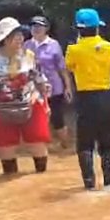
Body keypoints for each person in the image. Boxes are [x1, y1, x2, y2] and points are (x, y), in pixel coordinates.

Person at [63, 8, 110, 190]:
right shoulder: (109, 48)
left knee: (84, 145)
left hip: (85, 100)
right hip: (107, 97)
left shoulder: (73, 50)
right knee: (107, 143)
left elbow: (69, 71)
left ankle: (89, 183)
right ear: (97, 28)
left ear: (78, 29)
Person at [0, 17, 52, 175]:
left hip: (32, 104)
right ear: (4, 38)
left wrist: (46, 105)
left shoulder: (29, 55)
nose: (20, 38)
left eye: (20, 34)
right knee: (6, 147)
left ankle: (41, 180)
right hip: (1, 107)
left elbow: (40, 81)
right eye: (15, 35)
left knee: (37, 143)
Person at [25, 16, 71, 148]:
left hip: (54, 87)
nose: (36, 29)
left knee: (57, 117)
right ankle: (45, 145)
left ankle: (64, 145)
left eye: (39, 26)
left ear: (46, 29)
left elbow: (62, 68)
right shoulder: (27, 45)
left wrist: (67, 87)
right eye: (33, 26)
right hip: (34, 89)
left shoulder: (54, 44)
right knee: (39, 118)